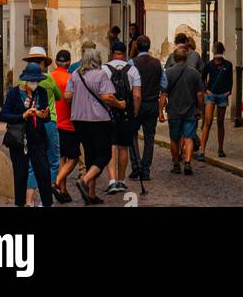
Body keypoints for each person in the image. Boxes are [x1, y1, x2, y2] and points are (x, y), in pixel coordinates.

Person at [64, 46, 122, 205]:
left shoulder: (75, 74)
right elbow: (107, 96)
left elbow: (67, 96)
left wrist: (79, 99)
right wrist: (120, 104)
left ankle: (91, 193)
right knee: (104, 154)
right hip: (98, 120)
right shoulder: (101, 74)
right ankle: (85, 180)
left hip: (79, 119)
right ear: (98, 60)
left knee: (90, 154)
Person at [0, 62, 54, 208]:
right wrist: (23, 115)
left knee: (43, 172)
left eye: (37, 81)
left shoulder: (41, 92)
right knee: (21, 174)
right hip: (20, 140)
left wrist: (43, 115)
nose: (35, 83)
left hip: (38, 138)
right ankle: (20, 203)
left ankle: (47, 203)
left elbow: (46, 116)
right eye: (32, 81)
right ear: (26, 80)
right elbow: (3, 115)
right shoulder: (14, 93)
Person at [21, 47, 62, 205]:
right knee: (52, 160)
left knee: (32, 162)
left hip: (31, 123)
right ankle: (46, 200)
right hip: (49, 122)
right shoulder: (48, 79)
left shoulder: (22, 80)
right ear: (44, 63)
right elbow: (58, 96)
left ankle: (29, 201)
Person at [104, 40, 142, 194]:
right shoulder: (133, 70)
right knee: (124, 146)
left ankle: (112, 180)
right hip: (126, 114)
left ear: (112, 52)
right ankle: (121, 180)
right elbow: (137, 95)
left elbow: (103, 94)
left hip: (109, 113)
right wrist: (135, 112)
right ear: (125, 53)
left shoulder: (104, 69)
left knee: (111, 146)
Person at [163, 45, 204, 176]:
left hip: (174, 110)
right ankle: (187, 162)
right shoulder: (194, 73)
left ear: (174, 58)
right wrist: (200, 109)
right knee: (188, 137)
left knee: (174, 139)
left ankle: (176, 164)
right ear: (186, 58)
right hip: (190, 110)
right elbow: (199, 94)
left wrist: (160, 111)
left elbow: (163, 94)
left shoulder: (168, 73)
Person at [130, 35, 167, 181]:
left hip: (136, 104)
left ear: (137, 47)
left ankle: (136, 166)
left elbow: (128, 82)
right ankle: (146, 169)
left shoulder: (132, 62)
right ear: (149, 47)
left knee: (132, 135)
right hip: (152, 103)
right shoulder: (157, 63)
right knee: (149, 137)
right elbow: (164, 85)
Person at [198, 43, 233, 160]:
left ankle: (220, 148)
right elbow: (202, 79)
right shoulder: (209, 65)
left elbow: (230, 80)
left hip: (222, 95)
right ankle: (202, 150)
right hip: (211, 95)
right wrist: (206, 90)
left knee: (220, 122)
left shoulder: (228, 65)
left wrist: (228, 91)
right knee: (208, 122)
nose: (217, 59)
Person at [51, 49, 77, 203]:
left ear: (55, 61)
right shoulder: (70, 78)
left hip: (53, 122)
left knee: (61, 157)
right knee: (73, 158)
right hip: (68, 123)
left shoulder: (49, 77)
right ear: (68, 62)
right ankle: (57, 182)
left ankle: (63, 190)